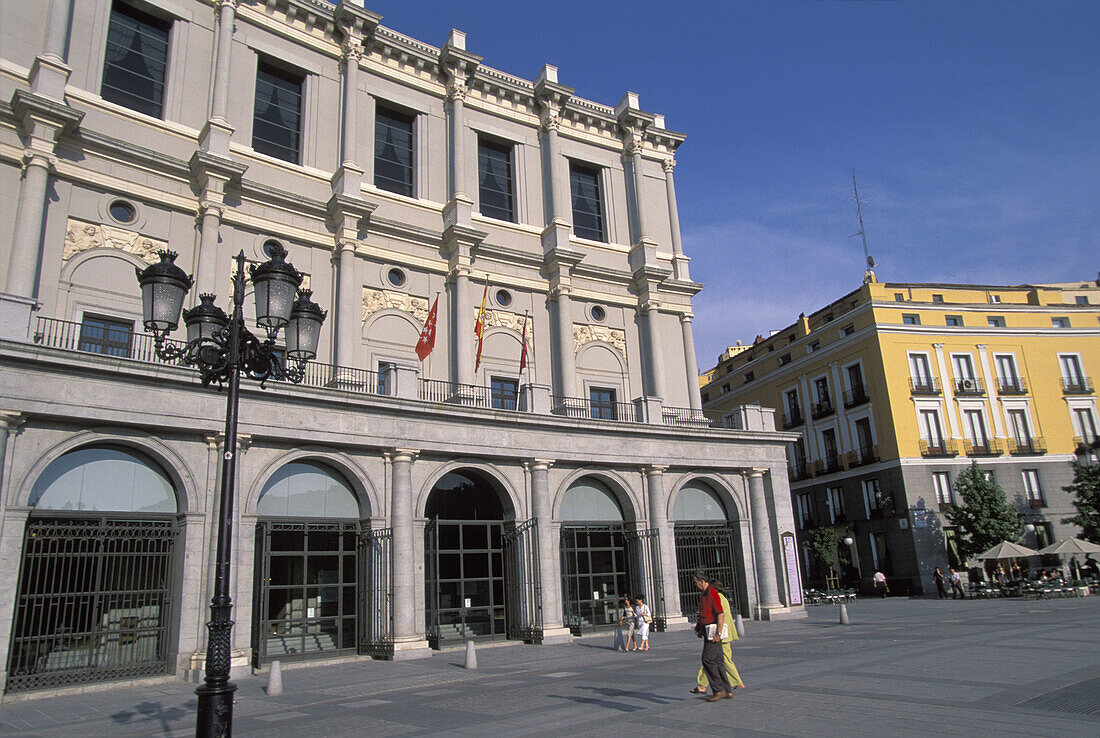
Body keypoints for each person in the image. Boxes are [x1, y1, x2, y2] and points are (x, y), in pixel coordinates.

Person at [690, 580, 744, 694]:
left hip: (720, 634)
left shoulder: (716, 597)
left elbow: (719, 615)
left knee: (713, 659)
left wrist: (716, 632)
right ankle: (705, 684)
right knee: (716, 659)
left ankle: (736, 683)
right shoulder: (722, 597)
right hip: (725, 633)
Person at [692, 569, 734, 702]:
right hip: (706, 630)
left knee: (707, 660)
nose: (695, 585)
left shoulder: (712, 593)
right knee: (718, 661)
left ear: (702, 581)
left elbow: (720, 614)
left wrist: (718, 633)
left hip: (713, 632)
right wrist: (699, 629)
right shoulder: (704, 594)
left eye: (696, 582)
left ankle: (718, 689)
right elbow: (704, 613)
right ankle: (727, 690)